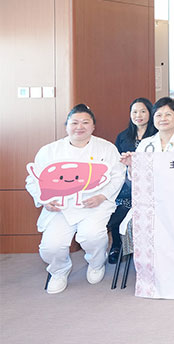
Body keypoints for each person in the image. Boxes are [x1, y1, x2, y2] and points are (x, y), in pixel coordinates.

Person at [25, 104, 125, 294]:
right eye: (75, 122)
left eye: (85, 122)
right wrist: (44, 199)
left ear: (93, 126)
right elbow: (33, 180)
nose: (80, 127)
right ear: (66, 126)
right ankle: (59, 271)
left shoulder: (106, 148)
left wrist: (102, 196)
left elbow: (118, 175)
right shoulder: (50, 151)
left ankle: (96, 263)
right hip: (60, 206)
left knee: (92, 236)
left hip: (94, 204)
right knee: (51, 246)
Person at [109, 98, 156, 263]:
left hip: (150, 185)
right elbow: (116, 163)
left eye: (143, 111)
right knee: (118, 209)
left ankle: (143, 248)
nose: (138, 115)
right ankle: (117, 245)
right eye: (134, 112)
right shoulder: (123, 136)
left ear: (150, 113)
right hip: (127, 184)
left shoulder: (156, 135)